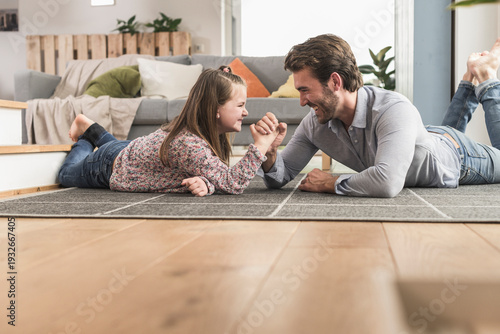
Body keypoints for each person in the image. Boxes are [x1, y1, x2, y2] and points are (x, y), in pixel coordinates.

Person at [256, 34, 500, 198]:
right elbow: (281, 175)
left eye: (305, 90)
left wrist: (330, 182)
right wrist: (270, 156)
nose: (301, 102)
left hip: (458, 155)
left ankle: (487, 78)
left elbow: (387, 182)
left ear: (334, 81)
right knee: (438, 138)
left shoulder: (392, 109)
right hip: (424, 141)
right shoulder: (315, 123)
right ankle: (469, 79)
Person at [58, 66, 279, 197]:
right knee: (65, 175)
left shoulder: (198, 136)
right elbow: (232, 183)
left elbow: (215, 175)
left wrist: (208, 184)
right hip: (107, 165)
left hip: (131, 152)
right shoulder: (189, 145)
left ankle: (89, 126)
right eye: (240, 105)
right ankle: (86, 137)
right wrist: (261, 145)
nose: (245, 111)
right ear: (215, 109)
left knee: (114, 147)